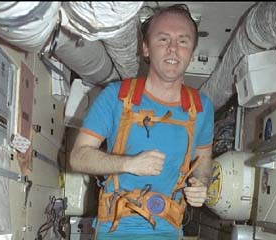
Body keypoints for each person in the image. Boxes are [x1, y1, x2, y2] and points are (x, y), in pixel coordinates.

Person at [70, 4, 214, 240]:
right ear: (146, 48)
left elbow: (203, 159)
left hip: (169, 229)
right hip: (115, 230)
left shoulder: (202, 107)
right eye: (163, 39)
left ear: (193, 52)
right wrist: (129, 164)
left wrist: (201, 183)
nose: (173, 49)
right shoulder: (116, 96)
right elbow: (78, 157)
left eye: (183, 41)